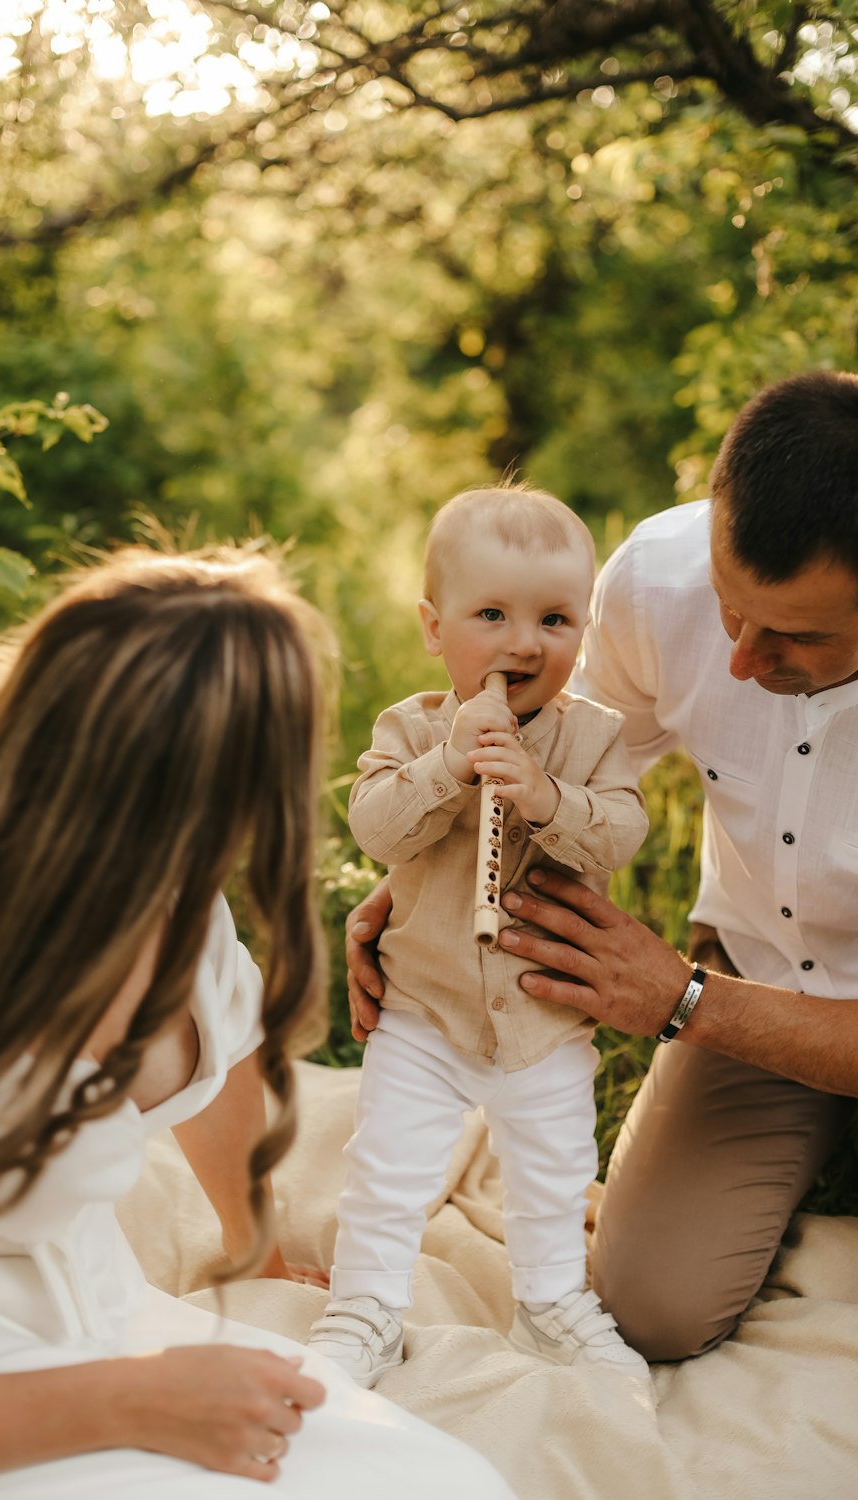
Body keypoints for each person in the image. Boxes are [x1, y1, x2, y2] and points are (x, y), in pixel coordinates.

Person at [0, 545, 516, 1500]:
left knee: (453, 1489)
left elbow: (221, 1052)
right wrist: (130, 1403)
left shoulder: (170, 903)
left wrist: (257, 1238)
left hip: (98, 1325)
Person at [347, 369, 858, 1366]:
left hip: (716, 997)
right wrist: (430, 882)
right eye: (728, 610)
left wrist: (682, 1002)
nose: (744, 661)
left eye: (800, 636)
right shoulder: (652, 576)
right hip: (756, 970)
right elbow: (549, 767)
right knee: (651, 1304)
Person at [307, 485, 650, 1389]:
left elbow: (620, 832)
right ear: (434, 626)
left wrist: (542, 799)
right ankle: (367, 1307)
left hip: (544, 1019)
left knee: (552, 1172)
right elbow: (377, 829)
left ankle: (550, 1302)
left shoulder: (594, 739)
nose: (524, 642)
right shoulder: (411, 728)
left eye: (555, 618)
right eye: (491, 614)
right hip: (424, 1008)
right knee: (387, 1170)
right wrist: (451, 764)